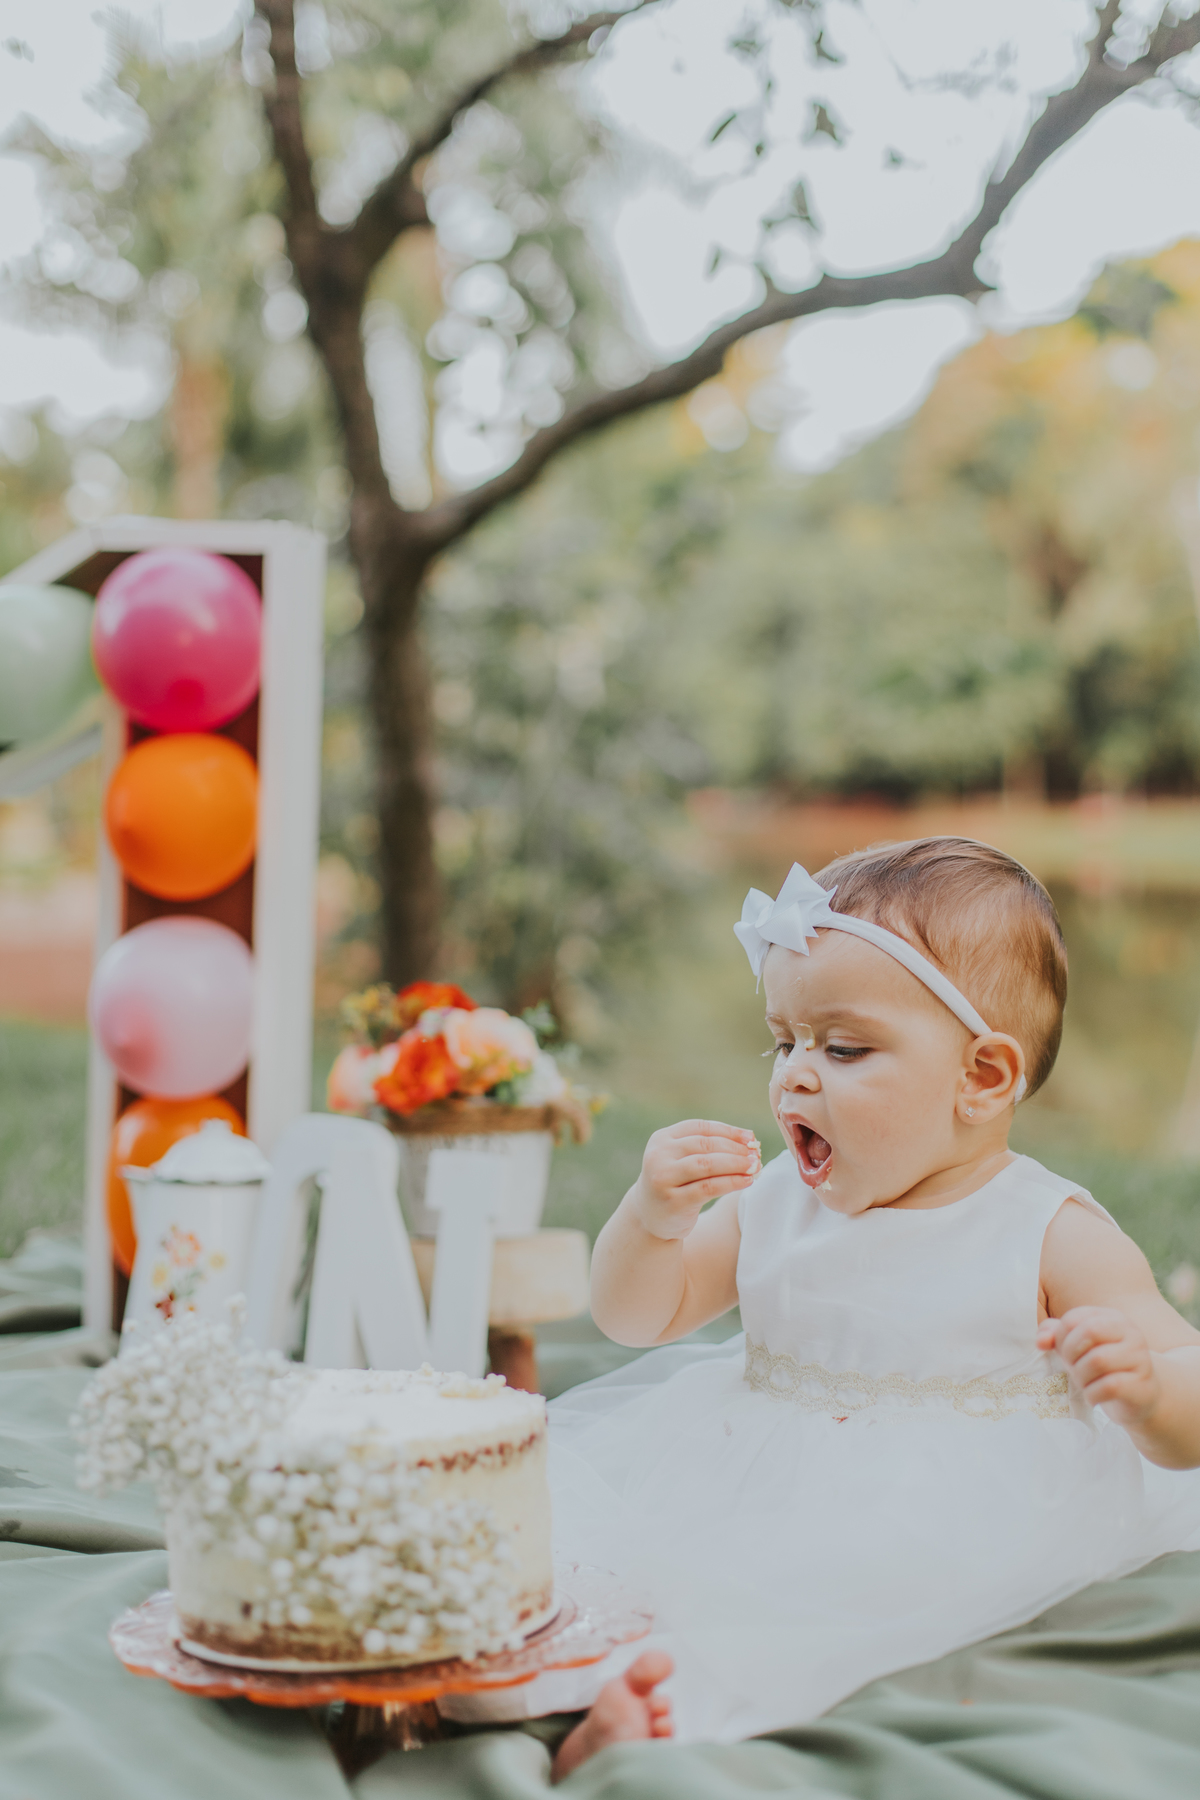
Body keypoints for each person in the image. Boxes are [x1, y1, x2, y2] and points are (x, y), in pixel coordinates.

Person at [457, 839, 1200, 1778]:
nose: (795, 1076)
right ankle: (539, 1675)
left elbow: (1188, 1383)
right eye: (785, 1041)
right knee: (565, 1558)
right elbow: (638, 1318)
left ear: (981, 1078)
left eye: (843, 1048)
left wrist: (1148, 1393)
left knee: (796, 1619)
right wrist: (650, 1220)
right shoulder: (777, 1199)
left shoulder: (1047, 1232)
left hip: (948, 1513)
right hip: (740, 1469)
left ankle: (663, 1712)